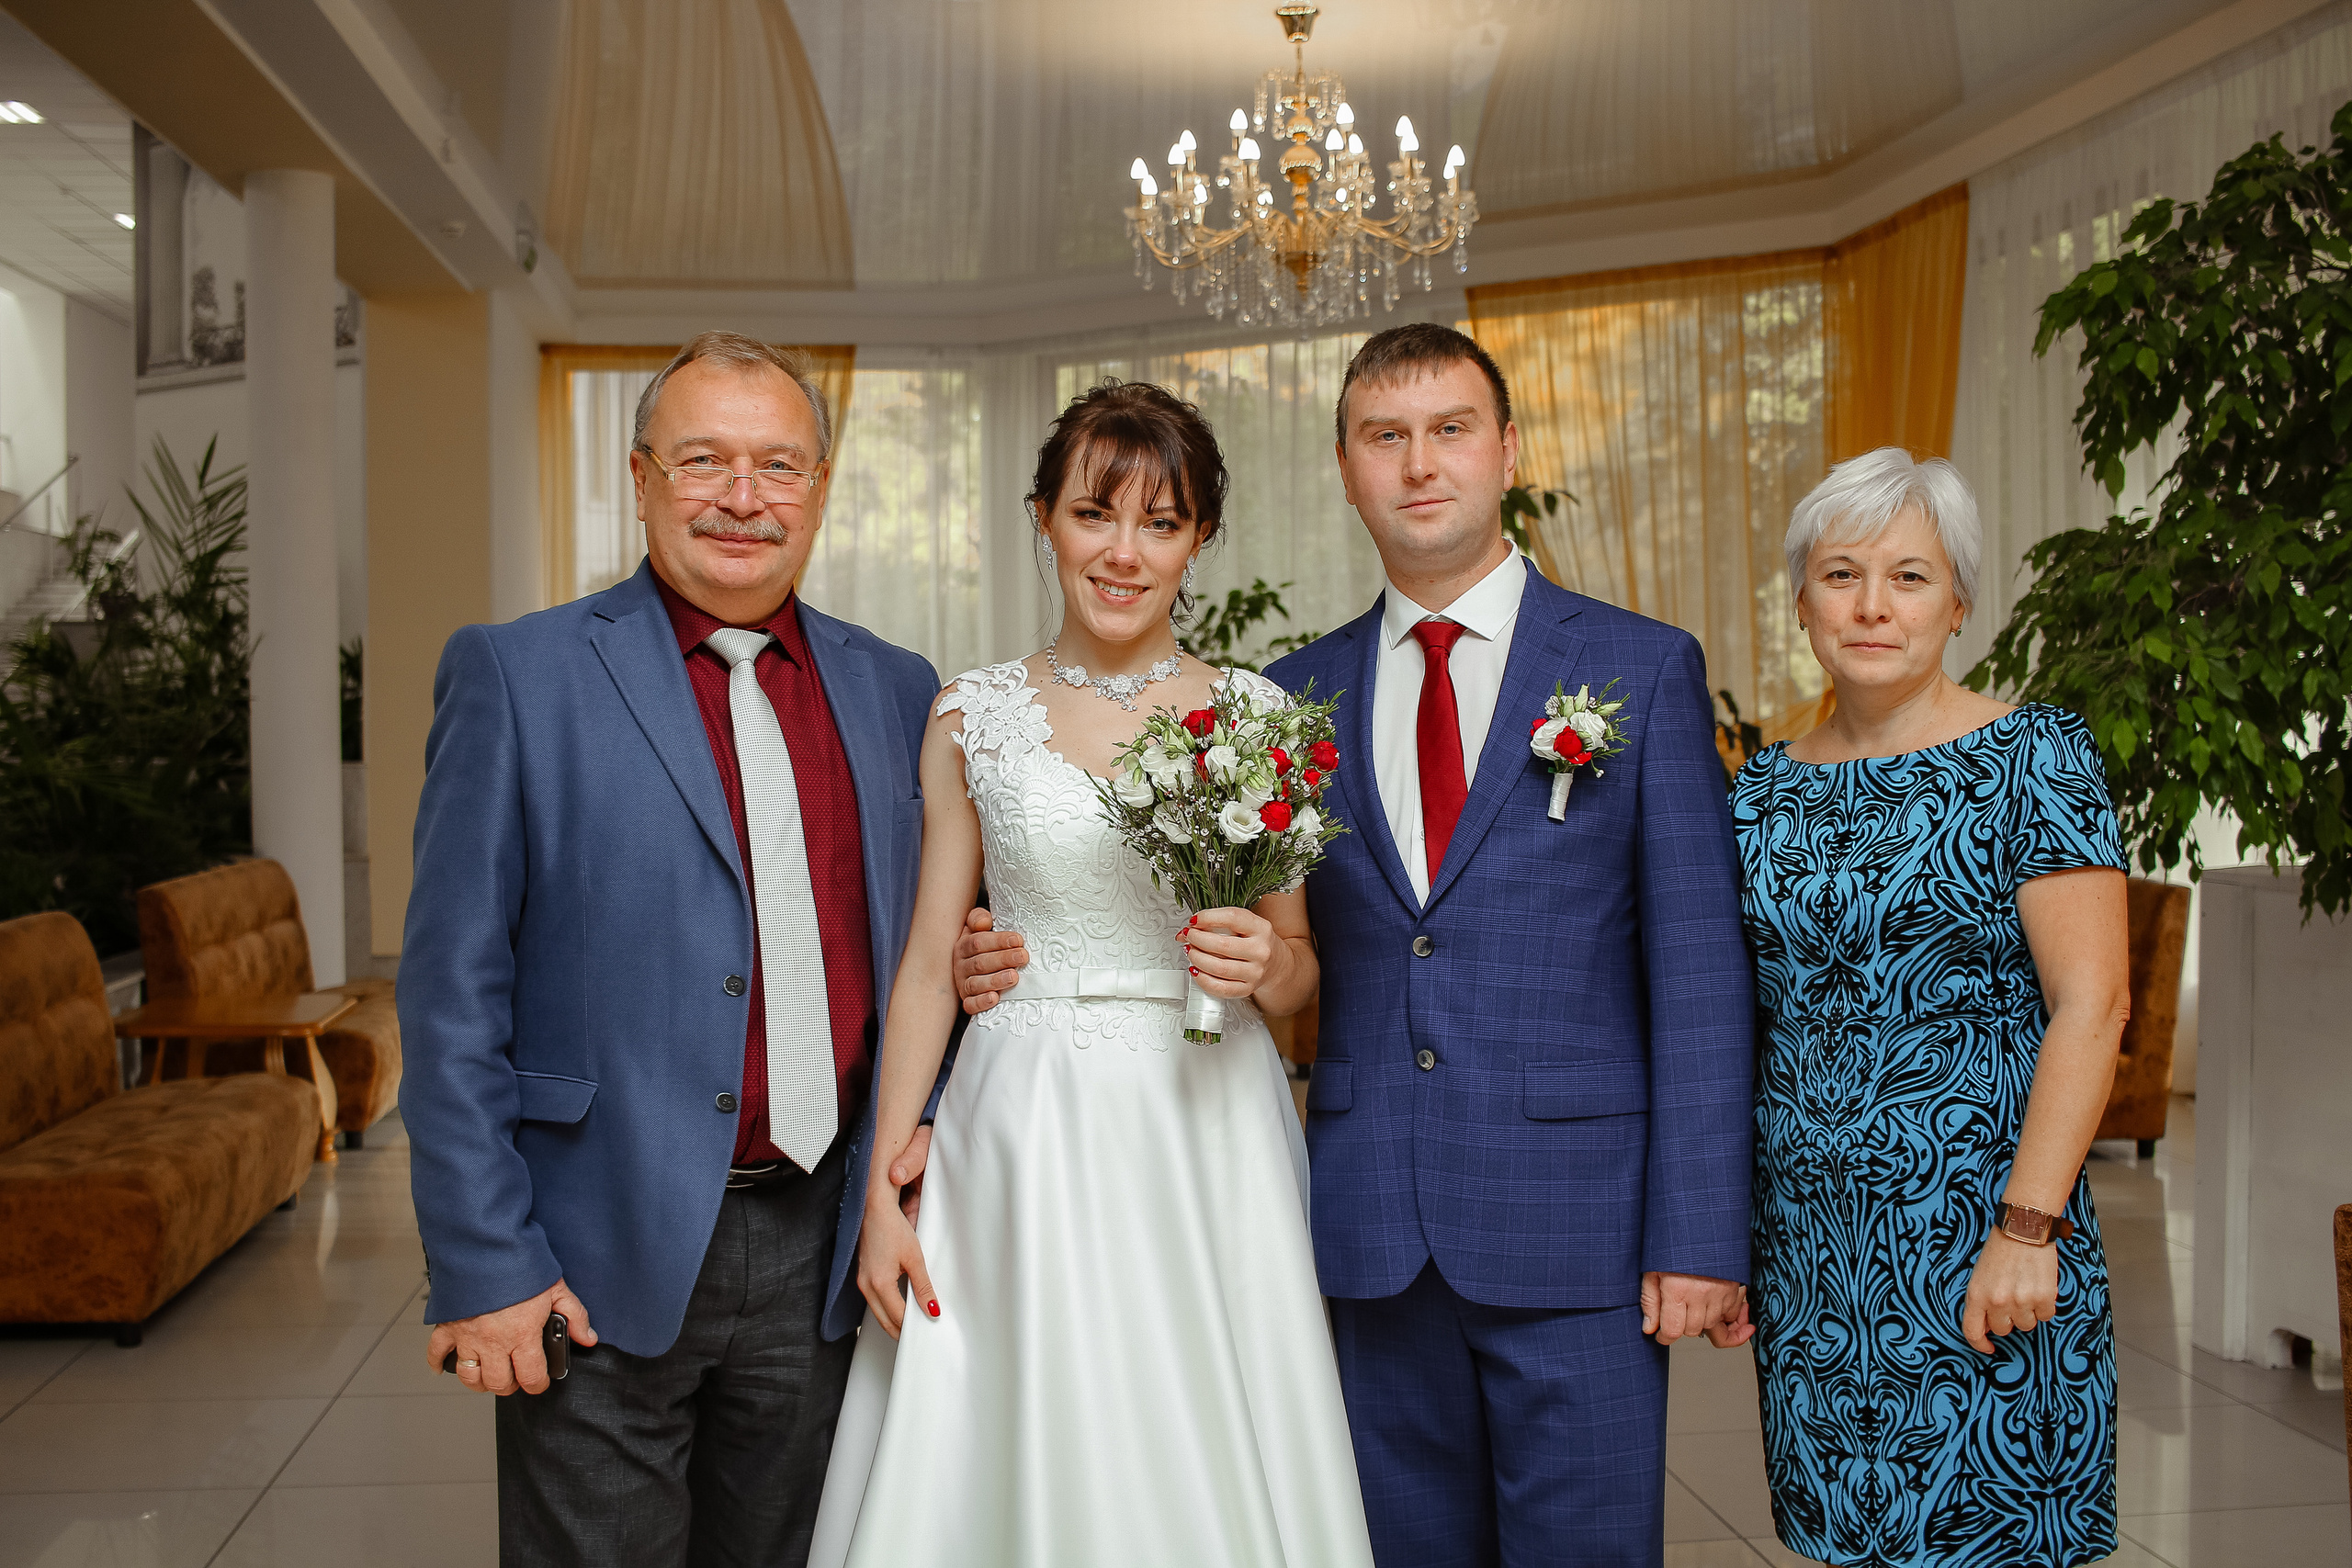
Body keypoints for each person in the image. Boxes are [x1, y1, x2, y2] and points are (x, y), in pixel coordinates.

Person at [955, 323, 1757, 1566]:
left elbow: (1701, 976)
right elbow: (1238, 926)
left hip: (1578, 1232)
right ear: (1345, 465)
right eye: (1387, 436)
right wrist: (991, 948)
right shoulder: (1289, 699)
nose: (1420, 463)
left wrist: (1698, 1234)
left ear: (1506, 451)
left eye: (1450, 430)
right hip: (1366, 1229)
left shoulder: (1636, 668)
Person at [808, 380, 1375, 1568]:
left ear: (1199, 539)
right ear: (1044, 518)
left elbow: (1301, 973)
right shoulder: (972, 713)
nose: (1123, 553)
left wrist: (1271, 960)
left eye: (1160, 522)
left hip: (1206, 1118)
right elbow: (926, 959)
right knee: (1024, 1416)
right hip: (1024, 1115)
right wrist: (880, 1184)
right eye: (1093, 514)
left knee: (1202, 1427)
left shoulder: (1255, 713)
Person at [401, 333, 944, 1567]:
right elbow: (447, 1000)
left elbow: (921, 945)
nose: (743, 497)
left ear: (820, 485)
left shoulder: (900, 689)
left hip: (826, 1243)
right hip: (593, 1251)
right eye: (705, 459)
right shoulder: (519, 673)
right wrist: (485, 1259)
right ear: (641, 476)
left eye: (778, 464)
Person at [1729, 448, 2131, 1567]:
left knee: (1989, 1533)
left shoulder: (2031, 756)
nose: (1870, 605)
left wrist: (2027, 1227)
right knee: (1841, 1538)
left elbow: (2092, 1004)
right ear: (1800, 597)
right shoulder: (1757, 789)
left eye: (1909, 577)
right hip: (1814, 1256)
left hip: (1984, 1236)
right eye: (1840, 572)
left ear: (1958, 601)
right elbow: (1742, 1024)